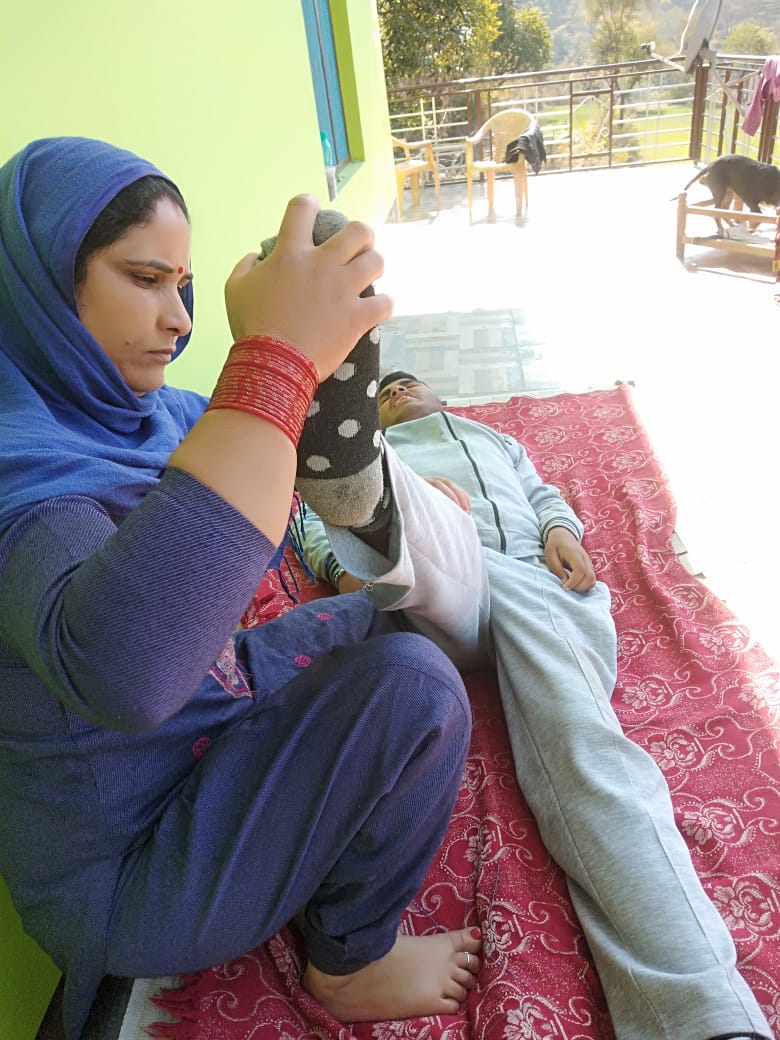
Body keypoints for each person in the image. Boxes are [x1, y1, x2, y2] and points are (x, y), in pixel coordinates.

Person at [0, 137, 487, 1040]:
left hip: (207, 711)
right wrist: (275, 358)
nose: (179, 319)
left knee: (390, 617)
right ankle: (349, 963)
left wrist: (405, 497)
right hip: (131, 867)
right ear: (42, 283)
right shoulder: (22, 479)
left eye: (184, 285)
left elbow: (279, 472)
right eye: (146, 279)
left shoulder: (142, 413)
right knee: (416, 688)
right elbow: (129, 674)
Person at [300, 371, 774, 1040]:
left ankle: (701, 1015)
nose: (399, 389)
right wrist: (347, 566)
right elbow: (314, 523)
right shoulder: (385, 449)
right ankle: (395, 522)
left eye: (409, 382)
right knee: (390, 506)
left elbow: (541, 490)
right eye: (384, 391)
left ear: (443, 398)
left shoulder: (494, 438)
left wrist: (560, 530)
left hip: (532, 581)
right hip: (439, 583)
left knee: (583, 752)